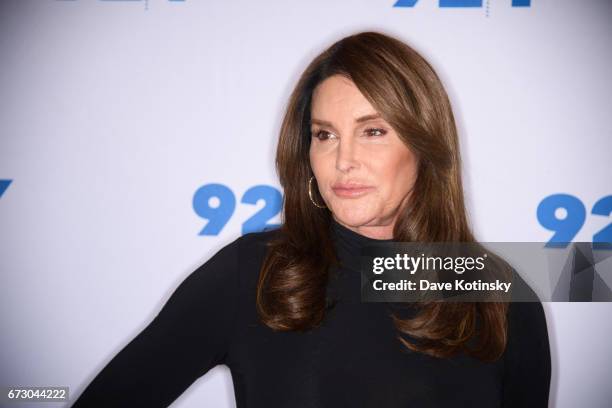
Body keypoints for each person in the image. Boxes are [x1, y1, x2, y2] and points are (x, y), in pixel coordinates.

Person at [71, 30, 551, 407]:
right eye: (325, 135)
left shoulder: (497, 292)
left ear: (425, 146)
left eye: (373, 131)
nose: (344, 160)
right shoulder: (252, 273)